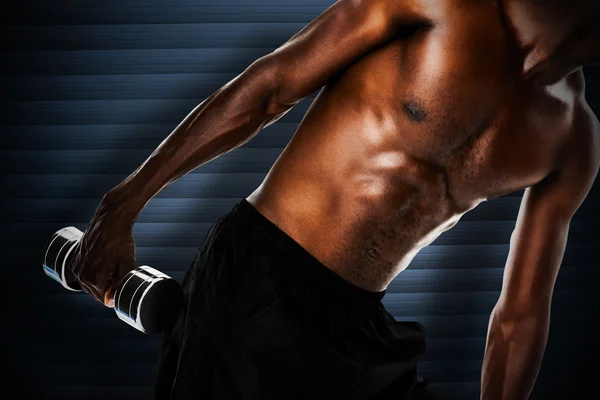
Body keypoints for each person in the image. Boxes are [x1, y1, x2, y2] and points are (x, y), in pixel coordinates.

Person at [69, 0, 600, 399]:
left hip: (360, 328)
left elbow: (521, 312)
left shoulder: (573, 138)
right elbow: (271, 87)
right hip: (259, 279)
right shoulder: (445, 5)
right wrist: (126, 202)